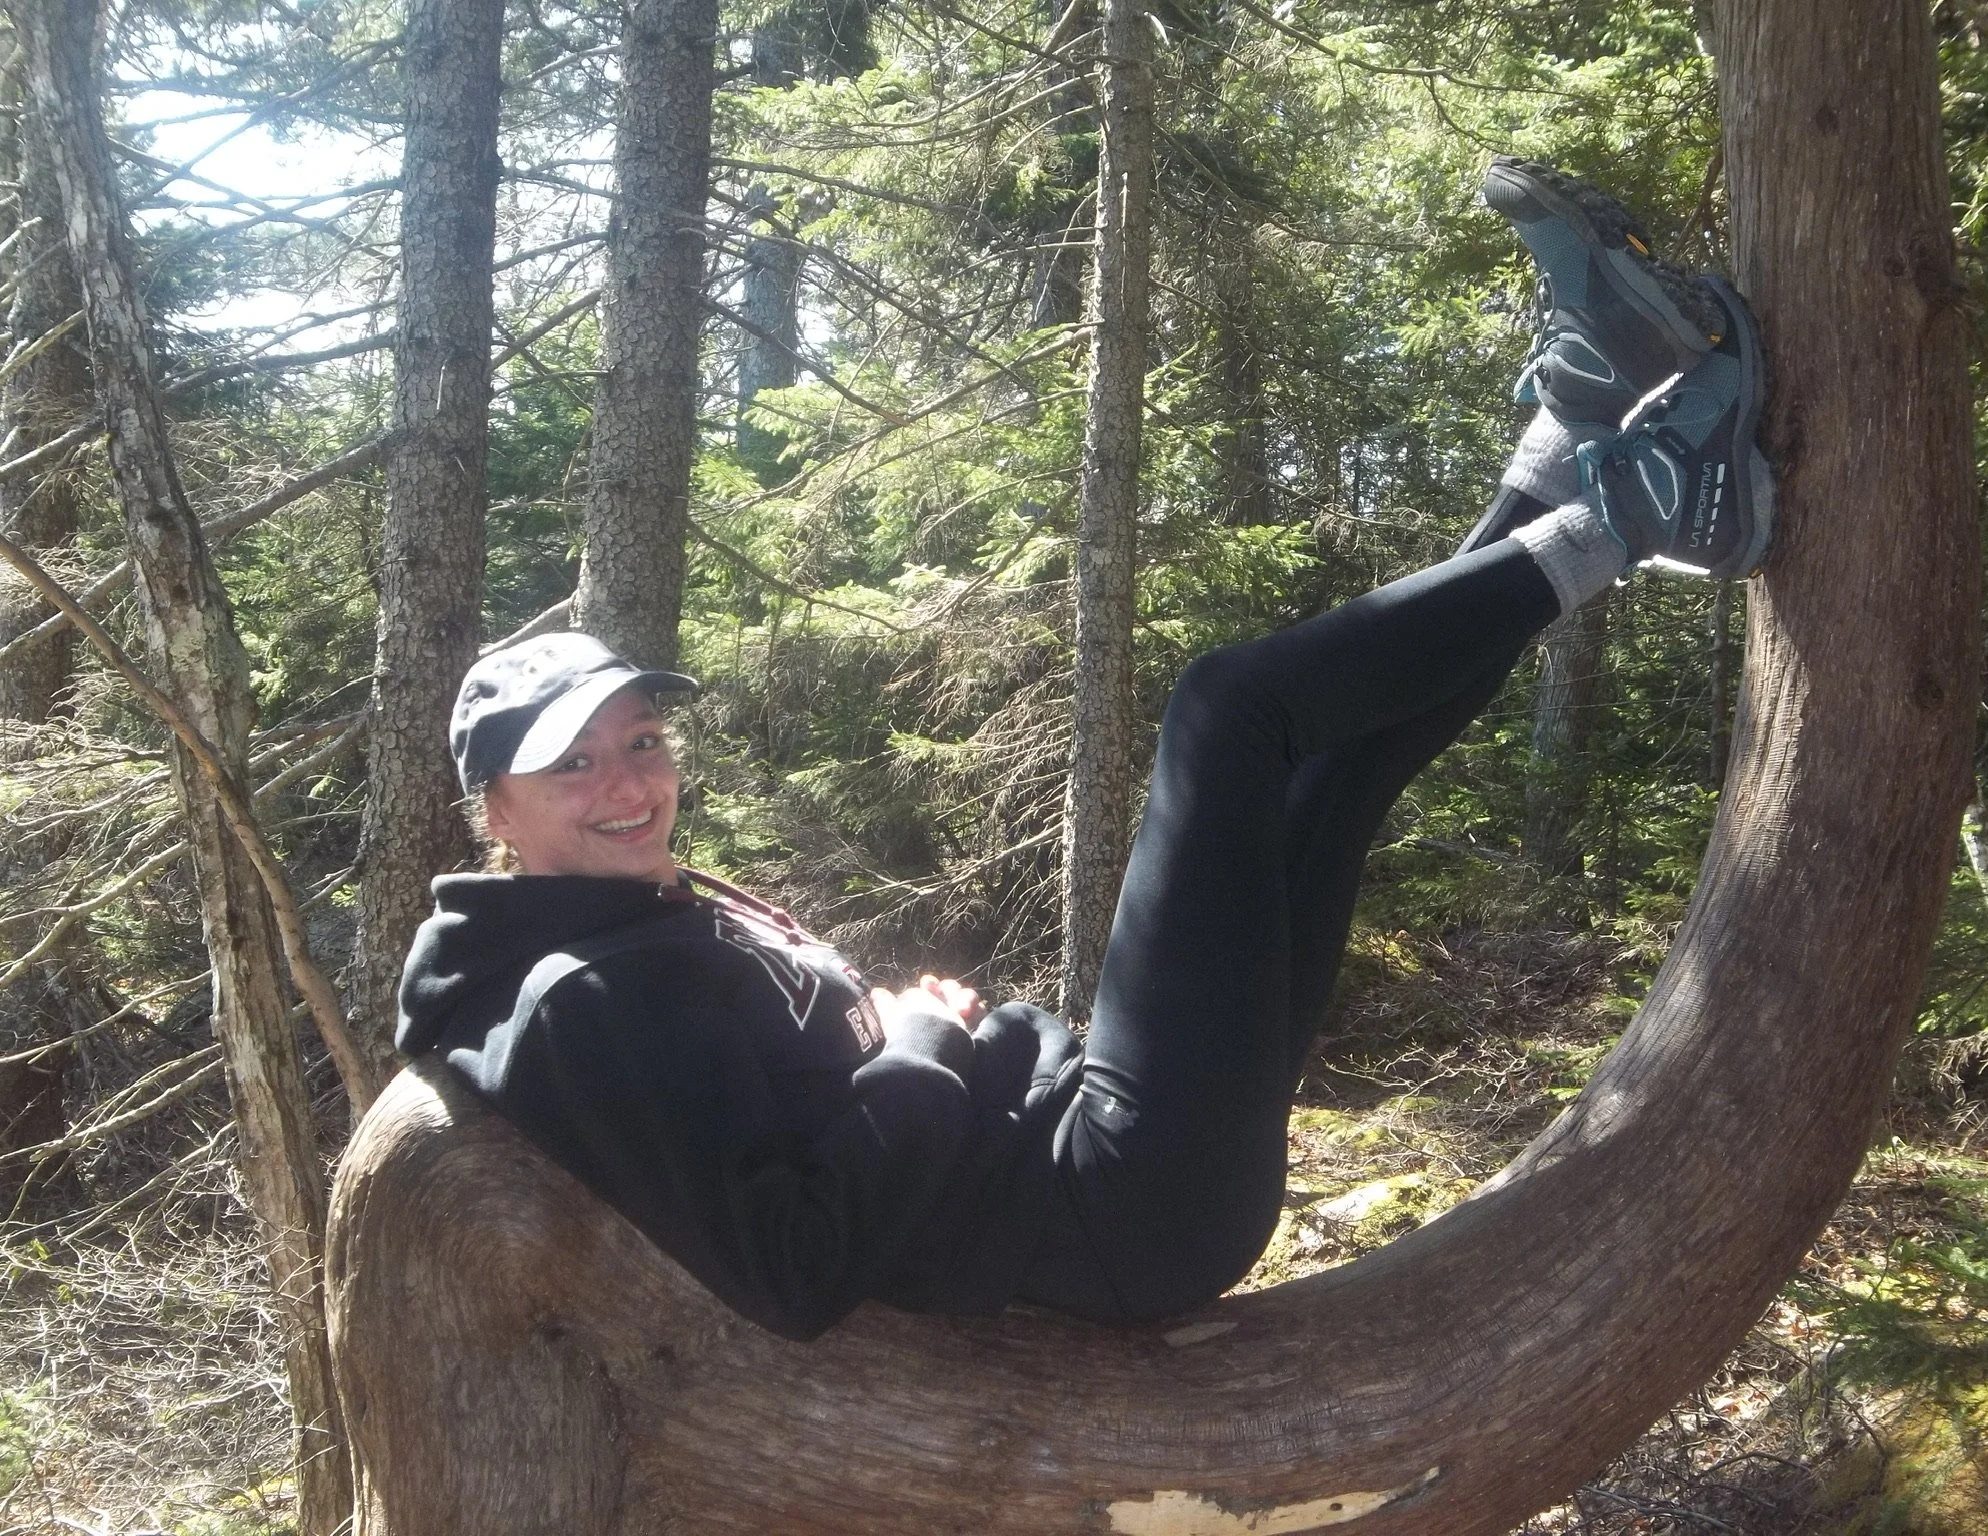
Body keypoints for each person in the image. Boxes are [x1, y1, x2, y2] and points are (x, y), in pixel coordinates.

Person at [394, 159, 1773, 1341]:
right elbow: (789, 1267)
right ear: (491, 809)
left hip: (1090, 1140)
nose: (629, 783)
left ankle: (1568, 448)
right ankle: (1640, 510)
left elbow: (789, 1103)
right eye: (574, 765)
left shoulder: (616, 931)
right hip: (1109, 1191)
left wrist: (902, 1033)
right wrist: (923, 1044)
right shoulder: (572, 998)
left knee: (1326, 782)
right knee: (1231, 713)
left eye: (639, 740)